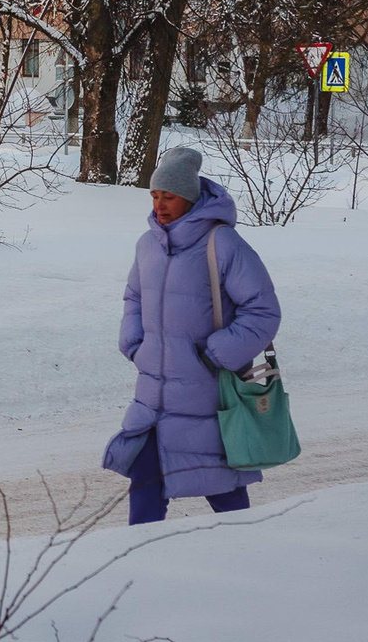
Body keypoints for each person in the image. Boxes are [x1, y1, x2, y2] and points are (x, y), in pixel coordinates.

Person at [103, 146, 281, 525]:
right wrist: (134, 344)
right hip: (152, 398)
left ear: (189, 197)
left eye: (169, 197)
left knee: (222, 487)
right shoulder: (148, 244)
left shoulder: (222, 244)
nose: (160, 205)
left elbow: (263, 311)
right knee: (145, 480)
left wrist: (216, 354)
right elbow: (134, 297)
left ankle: (247, 547)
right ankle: (142, 551)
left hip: (207, 397)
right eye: (155, 195)